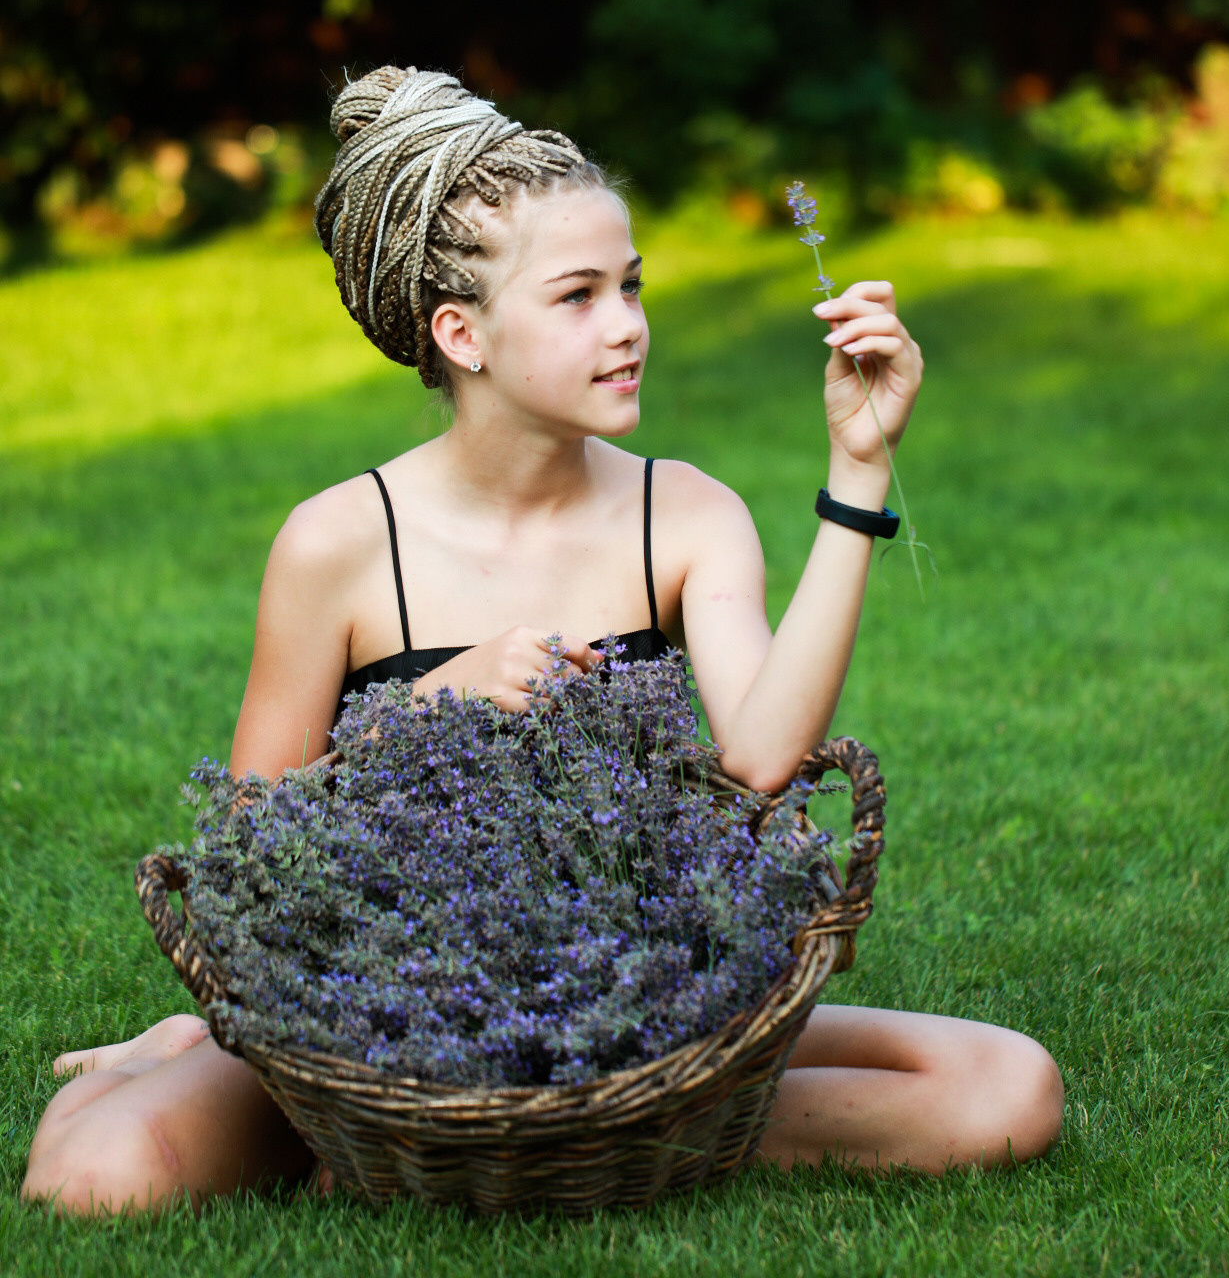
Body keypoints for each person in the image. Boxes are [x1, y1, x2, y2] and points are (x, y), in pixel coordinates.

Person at [21, 66, 1063, 1217]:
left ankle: (618, 1118)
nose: (626, 326)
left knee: (1007, 1089)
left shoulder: (685, 513)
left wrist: (856, 471)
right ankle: (208, 1057)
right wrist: (429, 703)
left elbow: (762, 757)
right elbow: (249, 831)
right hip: (375, 1005)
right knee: (89, 1181)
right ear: (459, 332)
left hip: (628, 996)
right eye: (576, 296)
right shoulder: (340, 543)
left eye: (630, 285)